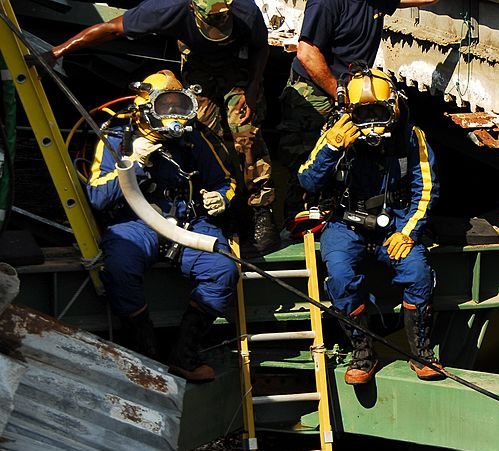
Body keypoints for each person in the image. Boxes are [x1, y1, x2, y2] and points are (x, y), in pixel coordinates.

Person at [45, 0, 279, 255]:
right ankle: (215, 206)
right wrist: (58, 52)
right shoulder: (169, 7)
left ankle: (261, 214)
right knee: (198, 130)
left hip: (239, 66)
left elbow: (260, 47)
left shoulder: (246, 10)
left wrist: (254, 86)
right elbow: (111, 28)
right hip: (198, 65)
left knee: (245, 134)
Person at [85, 70, 239, 382]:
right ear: (146, 109)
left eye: (179, 108)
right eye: (165, 108)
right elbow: (97, 197)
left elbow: (225, 181)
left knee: (223, 269)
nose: (174, 118)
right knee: (119, 268)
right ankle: (147, 353)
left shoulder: (193, 138)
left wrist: (222, 198)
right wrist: (132, 163)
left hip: (188, 222)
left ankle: (184, 353)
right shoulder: (116, 137)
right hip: (136, 222)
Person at [297, 68, 443, 384]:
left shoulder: (410, 137)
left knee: (418, 272)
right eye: (364, 113)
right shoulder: (336, 134)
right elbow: (306, 178)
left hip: (394, 225)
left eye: (379, 111)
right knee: (339, 275)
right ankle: (363, 353)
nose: (372, 121)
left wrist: (408, 231)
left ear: (393, 107)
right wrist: (332, 147)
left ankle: (421, 351)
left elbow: (426, 188)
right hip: (344, 224)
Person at [278, 0, 438, 217]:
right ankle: (297, 222)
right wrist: (341, 95)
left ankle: (339, 217)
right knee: (308, 163)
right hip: (316, 90)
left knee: (353, 158)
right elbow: (307, 54)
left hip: (351, 91)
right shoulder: (326, 3)